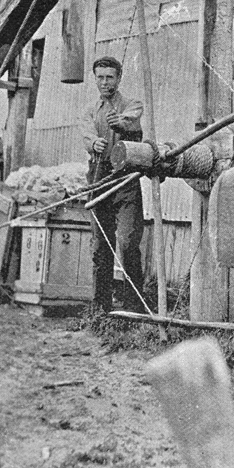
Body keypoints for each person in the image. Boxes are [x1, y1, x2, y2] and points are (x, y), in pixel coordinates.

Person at [80, 56, 146, 313]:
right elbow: (86, 132)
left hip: (126, 177)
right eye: (100, 77)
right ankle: (101, 309)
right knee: (100, 245)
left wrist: (121, 122)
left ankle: (135, 307)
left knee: (128, 242)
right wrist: (93, 143)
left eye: (110, 77)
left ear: (119, 78)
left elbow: (133, 119)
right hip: (99, 176)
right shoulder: (89, 110)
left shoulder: (132, 104)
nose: (105, 82)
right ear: (95, 78)